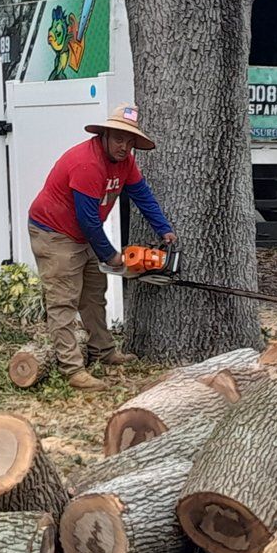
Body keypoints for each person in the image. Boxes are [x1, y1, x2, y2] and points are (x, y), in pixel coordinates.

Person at [28, 103, 176, 391]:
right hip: (53, 231)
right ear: (105, 135)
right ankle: (72, 370)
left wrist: (164, 229)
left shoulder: (126, 163)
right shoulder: (87, 163)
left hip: (84, 233)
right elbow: (87, 219)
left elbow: (142, 195)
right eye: (119, 138)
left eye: (130, 141)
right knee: (63, 300)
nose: (124, 146)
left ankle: (103, 350)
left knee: (95, 293)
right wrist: (112, 256)